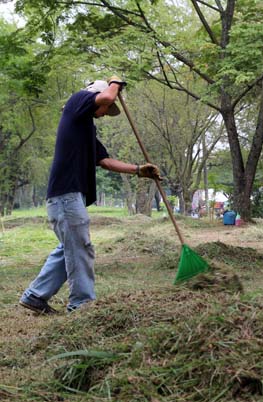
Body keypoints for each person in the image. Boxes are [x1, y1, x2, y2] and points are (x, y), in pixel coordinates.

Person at [19, 77, 161, 315]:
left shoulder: (84, 128)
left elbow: (104, 161)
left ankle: (35, 296)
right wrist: (116, 82)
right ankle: (82, 305)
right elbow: (106, 96)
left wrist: (138, 170)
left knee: (71, 247)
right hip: (66, 194)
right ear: (96, 97)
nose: (106, 112)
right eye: (107, 107)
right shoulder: (76, 101)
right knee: (80, 248)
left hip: (67, 196)